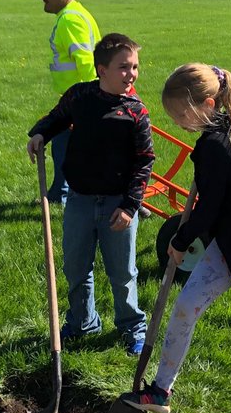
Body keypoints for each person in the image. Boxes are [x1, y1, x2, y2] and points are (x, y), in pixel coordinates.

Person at [125, 64, 231, 413]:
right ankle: (159, 392)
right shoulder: (213, 141)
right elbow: (215, 208)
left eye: (182, 114)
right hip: (230, 240)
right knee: (185, 307)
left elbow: (209, 207)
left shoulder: (220, 146)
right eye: (174, 117)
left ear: (209, 103)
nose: (179, 122)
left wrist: (180, 241)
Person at [27, 32, 154, 355]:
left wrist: (129, 206)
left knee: (122, 271)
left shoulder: (135, 113)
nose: (132, 74)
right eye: (124, 67)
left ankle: (132, 327)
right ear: (102, 69)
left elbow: (144, 162)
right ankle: (83, 321)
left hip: (117, 205)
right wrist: (40, 133)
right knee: (76, 266)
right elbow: (56, 118)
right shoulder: (80, 97)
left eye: (135, 67)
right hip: (80, 200)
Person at [33, 0, 100, 204]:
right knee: (62, 145)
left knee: (63, 147)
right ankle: (58, 194)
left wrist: (90, 98)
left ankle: (60, 196)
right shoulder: (75, 13)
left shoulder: (71, 19)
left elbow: (86, 61)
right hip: (75, 96)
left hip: (79, 98)